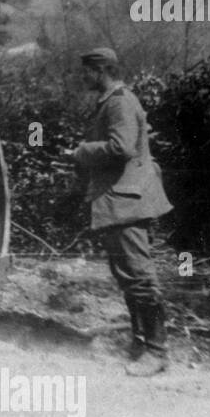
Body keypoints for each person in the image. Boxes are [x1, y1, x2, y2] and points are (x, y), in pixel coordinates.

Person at [66, 48, 173, 376]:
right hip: (119, 200)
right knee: (128, 276)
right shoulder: (111, 101)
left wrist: (81, 151)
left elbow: (122, 147)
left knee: (139, 276)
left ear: (100, 71)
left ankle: (156, 352)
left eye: (86, 72)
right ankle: (141, 343)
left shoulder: (119, 102)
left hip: (127, 201)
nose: (83, 78)